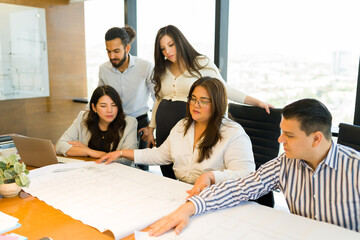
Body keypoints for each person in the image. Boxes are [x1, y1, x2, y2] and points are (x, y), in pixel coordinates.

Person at [146, 98, 360, 236]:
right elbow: (238, 188)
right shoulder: (284, 164)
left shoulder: (355, 169)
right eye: (281, 131)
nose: (279, 140)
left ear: (316, 139)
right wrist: (189, 208)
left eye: (289, 135)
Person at [140, 25, 272, 178]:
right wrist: (152, 127)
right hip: (166, 134)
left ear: (181, 42)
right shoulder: (163, 68)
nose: (167, 52)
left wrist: (256, 102)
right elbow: (159, 98)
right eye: (162, 48)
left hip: (192, 133)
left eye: (171, 45)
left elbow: (224, 89)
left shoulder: (200, 63)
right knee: (169, 179)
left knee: (191, 177)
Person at [96, 77, 255, 188]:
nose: (195, 105)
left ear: (217, 104)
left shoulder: (233, 133)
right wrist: (121, 153)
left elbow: (246, 175)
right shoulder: (183, 126)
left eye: (203, 101)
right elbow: (158, 155)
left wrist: (212, 177)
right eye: (193, 98)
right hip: (181, 191)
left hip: (216, 196)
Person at [98, 26, 155, 169]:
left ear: (127, 48)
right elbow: (99, 98)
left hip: (140, 123)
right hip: (114, 123)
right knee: (114, 165)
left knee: (141, 167)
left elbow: (159, 99)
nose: (112, 56)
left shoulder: (146, 67)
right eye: (108, 51)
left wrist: (151, 127)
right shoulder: (103, 69)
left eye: (116, 51)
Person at [56, 85, 137, 165]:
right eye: (103, 106)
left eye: (113, 105)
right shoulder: (83, 117)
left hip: (117, 173)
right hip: (89, 170)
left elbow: (127, 159)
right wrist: (89, 151)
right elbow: (60, 145)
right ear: (94, 107)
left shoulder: (130, 123)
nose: (109, 110)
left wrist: (86, 150)